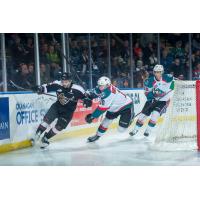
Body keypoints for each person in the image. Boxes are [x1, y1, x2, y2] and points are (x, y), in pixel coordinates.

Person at [32, 72, 92, 148]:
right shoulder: (57, 84)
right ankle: (36, 136)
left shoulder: (78, 89)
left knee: (59, 127)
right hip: (57, 107)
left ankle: (45, 138)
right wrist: (40, 88)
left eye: (66, 82)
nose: (64, 83)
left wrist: (87, 101)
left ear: (70, 81)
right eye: (63, 81)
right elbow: (46, 87)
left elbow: (87, 97)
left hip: (68, 112)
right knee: (47, 120)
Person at [85, 76, 134, 142]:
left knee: (121, 130)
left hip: (125, 107)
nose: (100, 87)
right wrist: (88, 97)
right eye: (99, 85)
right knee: (105, 122)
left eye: (102, 86)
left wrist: (92, 116)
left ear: (108, 85)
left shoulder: (108, 93)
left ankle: (131, 117)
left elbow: (102, 108)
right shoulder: (103, 88)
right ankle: (97, 135)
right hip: (113, 108)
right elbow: (94, 92)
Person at [129, 64, 174, 137]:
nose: (157, 74)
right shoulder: (149, 81)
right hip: (151, 100)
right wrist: (152, 98)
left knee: (155, 115)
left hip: (162, 102)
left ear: (162, 72)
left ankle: (148, 130)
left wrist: (175, 84)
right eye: (156, 72)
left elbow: (174, 81)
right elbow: (147, 92)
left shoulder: (168, 78)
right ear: (154, 72)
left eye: (159, 72)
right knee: (142, 116)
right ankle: (135, 129)